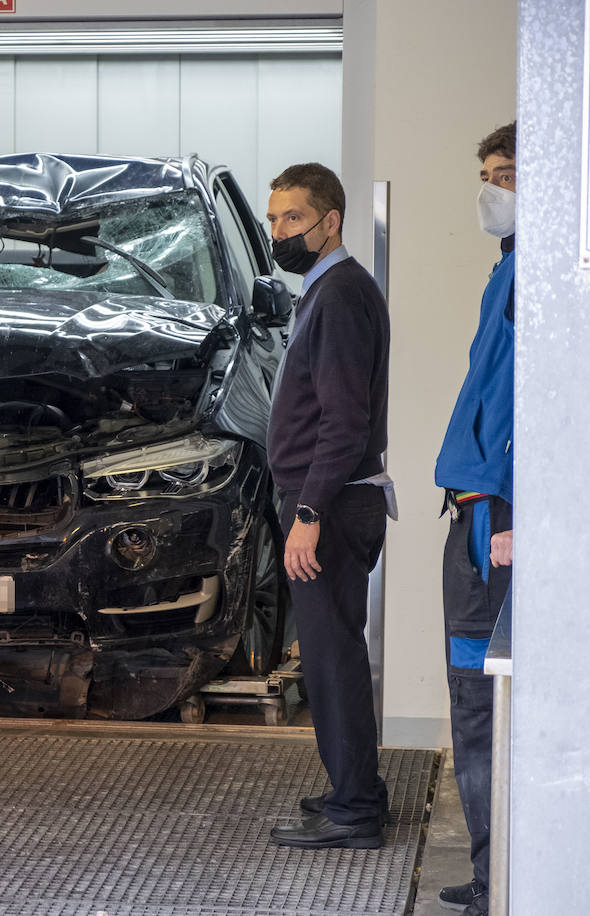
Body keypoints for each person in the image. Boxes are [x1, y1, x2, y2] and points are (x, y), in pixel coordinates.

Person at [263, 163, 395, 849]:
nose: (279, 232)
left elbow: (344, 422)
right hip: (330, 501)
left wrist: (308, 513)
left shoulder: (339, 295)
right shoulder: (325, 292)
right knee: (329, 653)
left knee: (332, 656)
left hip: (332, 507)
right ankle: (355, 790)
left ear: (331, 220)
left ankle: (355, 811)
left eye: (292, 218)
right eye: (274, 219)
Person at [431, 122, 517, 916]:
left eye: (507, 173)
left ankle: (500, 879)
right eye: (487, 173)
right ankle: (495, 871)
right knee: (477, 698)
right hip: (479, 514)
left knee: (480, 697)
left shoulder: (540, 278)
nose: (492, 189)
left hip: (496, 524)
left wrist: (521, 512)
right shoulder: (512, 270)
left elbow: (536, 403)